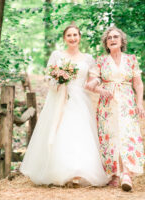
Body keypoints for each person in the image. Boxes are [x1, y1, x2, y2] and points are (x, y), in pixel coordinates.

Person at [20, 25, 109, 187]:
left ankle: (78, 172)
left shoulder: (88, 58)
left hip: (80, 100)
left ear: (80, 37)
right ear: (64, 38)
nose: (73, 38)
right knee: (60, 131)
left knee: (79, 133)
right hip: (59, 98)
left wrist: (97, 84)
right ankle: (59, 172)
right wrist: (59, 80)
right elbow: (48, 76)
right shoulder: (57, 55)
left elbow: (95, 77)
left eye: (75, 34)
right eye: (69, 35)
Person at [86, 27, 145, 192]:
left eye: (115, 37)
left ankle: (126, 173)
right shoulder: (101, 61)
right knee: (110, 136)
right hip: (107, 104)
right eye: (109, 38)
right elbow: (93, 82)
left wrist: (139, 104)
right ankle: (114, 173)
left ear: (122, 40)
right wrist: (99, 89)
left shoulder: (131, 59)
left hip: (127, 102)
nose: (112, 39)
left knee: (127, 134)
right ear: (106, 43)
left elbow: (138, 84)